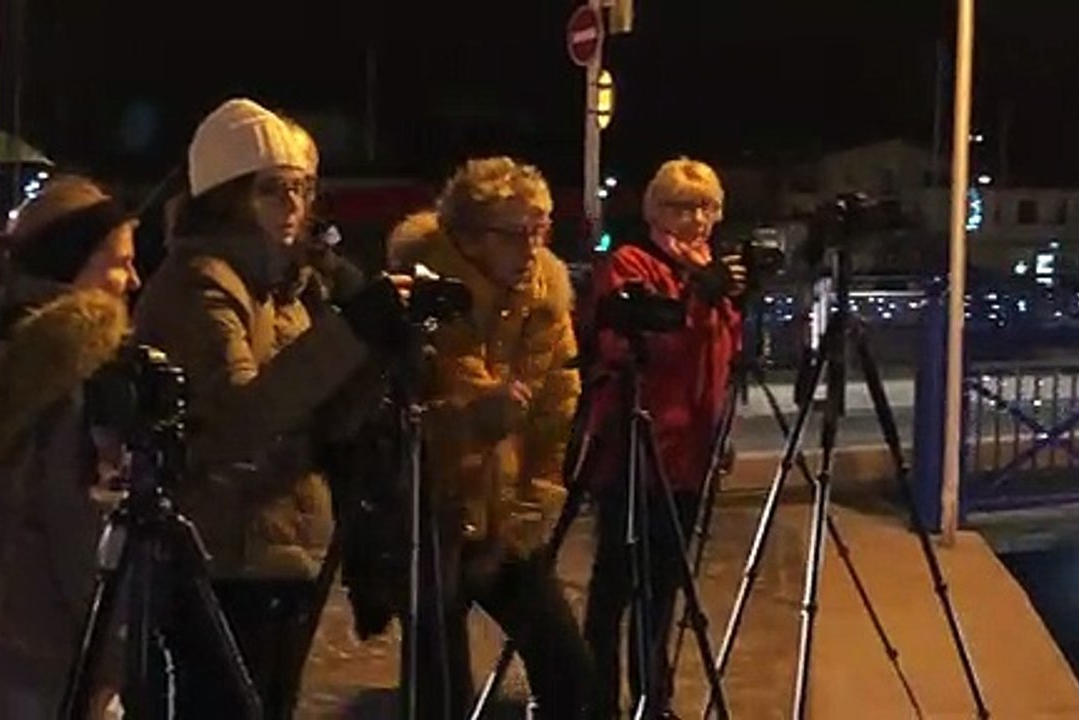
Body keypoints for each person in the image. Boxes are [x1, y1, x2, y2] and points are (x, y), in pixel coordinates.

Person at [133, 97, 409, 718]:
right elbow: (239, 419)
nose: (293, 207)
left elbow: (318, 418)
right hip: (223, 556)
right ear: (227, 195)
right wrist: (351, 335)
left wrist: (380, 354)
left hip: (282, 549)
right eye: (273, 191)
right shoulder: (200, 282)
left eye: (303, 190)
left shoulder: (285, 286)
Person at [386, 157, 595, 718]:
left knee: (571, 671)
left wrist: (529, 515)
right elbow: (408, 410)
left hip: (506, 513)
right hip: (429, 518)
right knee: (440, 690)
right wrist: (477, 412)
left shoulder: (546, 298)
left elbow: (555, 413)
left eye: (541, 229)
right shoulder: (421, 292)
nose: (531, 247)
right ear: (470, 238)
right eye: (515, 234)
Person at [0, 176, 142, 719]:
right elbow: (75, 531)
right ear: (72, 261)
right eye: (119, 261)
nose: (132, 279)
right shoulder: (67, 371)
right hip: (43, 658)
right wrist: (111, 664)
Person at [582, 158, 745, 719]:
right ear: (655, 209)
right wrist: (698, 298)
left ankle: (654, 699)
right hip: (637, 447)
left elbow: (722, 363)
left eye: (704, 207)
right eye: (680, 206)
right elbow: (639, 349)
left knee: (666, 588)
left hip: (689, 454)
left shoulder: (711, 274)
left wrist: (722, 433)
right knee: (616, 586)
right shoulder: (633, 264)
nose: (695, 219)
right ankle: (595, 699)